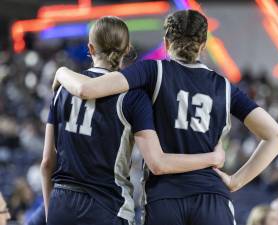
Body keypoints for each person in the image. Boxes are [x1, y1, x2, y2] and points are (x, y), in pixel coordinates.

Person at [53, 10, 278, 225]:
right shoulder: (225, 87)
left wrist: (62, 71)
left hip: (165, 197)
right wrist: (236, 181)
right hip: (211, 196)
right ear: (203, 46)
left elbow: (89, 89)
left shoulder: (152, 71)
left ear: (166, 43)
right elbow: (276, 136)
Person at [41, 16, 225, 225]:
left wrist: (51, 213)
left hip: (61, 206)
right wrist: (213, 157)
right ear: (127, 49)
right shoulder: (133, 96)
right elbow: (158, 162)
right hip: (107, 207)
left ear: (91, 48)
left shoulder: (62, 90)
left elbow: (47, 163)